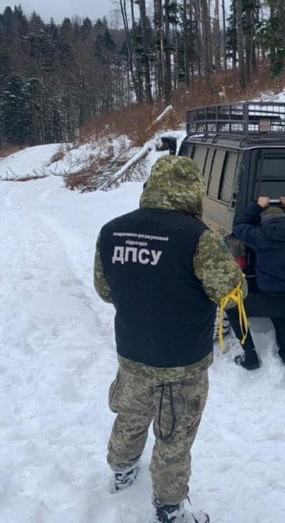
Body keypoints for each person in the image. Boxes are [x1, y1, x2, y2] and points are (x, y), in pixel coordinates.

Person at [94, 156, 245, 523]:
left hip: (133, 352)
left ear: (153, 185)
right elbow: (232, 292)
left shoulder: (112, 231)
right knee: (175, 436)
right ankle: (169, 508)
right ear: (193, 190)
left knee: (130, 416)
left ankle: (122, 470)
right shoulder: (199, 237)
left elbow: (105, 290)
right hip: (182, 360)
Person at [229, 195, 285, 385]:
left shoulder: (259, 235)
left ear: (265, 219)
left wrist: (257, 206)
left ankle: (250, 355)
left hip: (269, 301)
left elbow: (239, 225)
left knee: (232, 306)